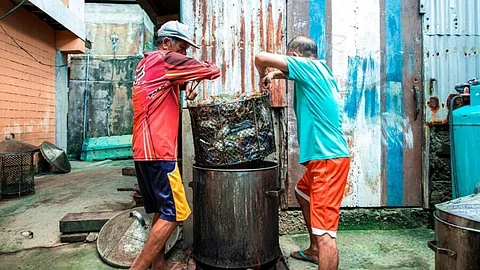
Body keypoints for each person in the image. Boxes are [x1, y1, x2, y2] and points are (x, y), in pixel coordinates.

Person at [130, 21, 221, 270]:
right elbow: (213, 70)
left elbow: (164, 88)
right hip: (159, 150)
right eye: (181, 48)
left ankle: (158, 264)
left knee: (161, 208)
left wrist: (185, 83)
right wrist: (195, 72)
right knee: (175, 212)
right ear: (167, 42)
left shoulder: (146, 64)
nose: (183, 55)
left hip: (142, 150)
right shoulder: (165, 59)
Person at [254, 36, 350, 270]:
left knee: (326, 232)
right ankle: (314, 249)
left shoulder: (308, 67)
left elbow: (260, 57)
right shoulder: (319, 71)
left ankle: (321, 248)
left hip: (327, 161)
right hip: (326, 159)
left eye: (289, 60)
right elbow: (292, 73)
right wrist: (276, 75)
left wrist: (262, 74)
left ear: (295, 57)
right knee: (302, 192)